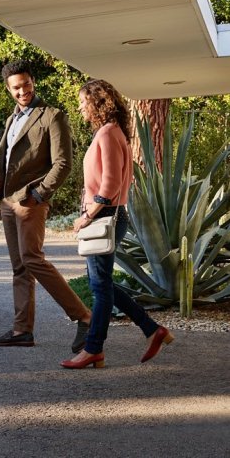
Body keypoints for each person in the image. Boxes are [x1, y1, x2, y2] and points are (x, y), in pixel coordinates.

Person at [61, 79, 174, 369]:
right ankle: (152, 330)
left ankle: (93, 348)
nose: (80, 106)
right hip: (109, 215)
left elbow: (110, 184)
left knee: (100, 288)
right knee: (103, 284)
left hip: (104, 216)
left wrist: (87, 216)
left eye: (84, 101)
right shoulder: (110, 132)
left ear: (98, 103)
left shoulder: (108, 133)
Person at [0, 60, 92, 350]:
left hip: (30, 200)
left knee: (33, 259)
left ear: (33, 81)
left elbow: (63, 162)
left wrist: (40, 193)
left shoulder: (51, 116)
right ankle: (22, 331)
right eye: (16, 88)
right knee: (20, 267)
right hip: (8, 201)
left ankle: (84, 317)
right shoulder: (13, 119)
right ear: (9, 89)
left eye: (26, 84)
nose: (23, 92)